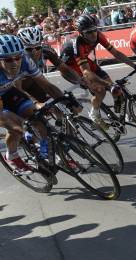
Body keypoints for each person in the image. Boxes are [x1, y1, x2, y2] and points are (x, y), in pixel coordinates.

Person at [0, 35, 79, 172]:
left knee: (38, 119)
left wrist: (67, 102)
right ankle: (11, 155)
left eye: (17, 57)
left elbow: (47, 86)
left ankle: (46, 153)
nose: (14, 63)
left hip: (7, 92)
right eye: (8, 59)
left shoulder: (25, 60)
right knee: (16, 128)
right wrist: (15, 125)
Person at [60, 14, 136, 129]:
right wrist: (106, 85)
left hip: (86, 61)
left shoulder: (98, 35)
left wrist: (135, 66)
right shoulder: (77, 44)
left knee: (116, 89)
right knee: (100, 90)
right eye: (89, 32)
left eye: (94, 30)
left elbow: (115, 53)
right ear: (81, 33)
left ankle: (120, 115)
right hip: (71, 68)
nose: (93, 34)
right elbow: (85, 72)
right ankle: (94, 114)